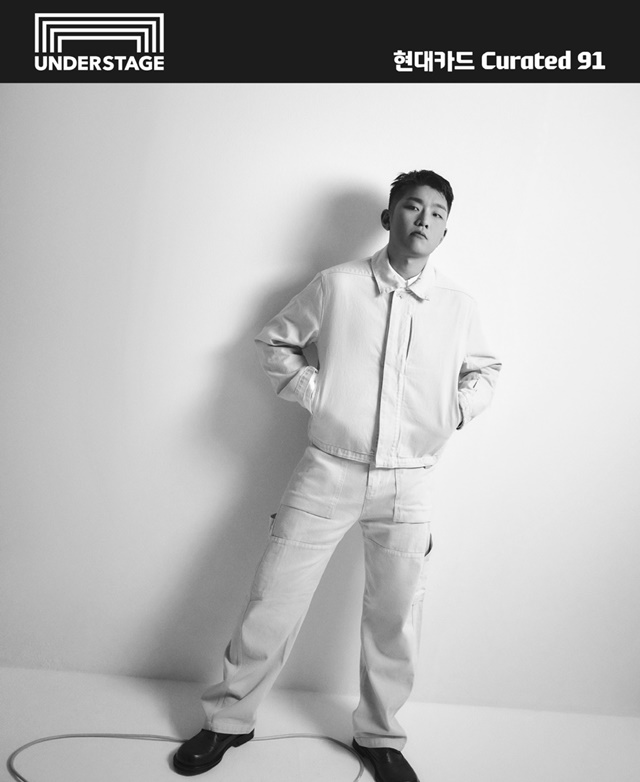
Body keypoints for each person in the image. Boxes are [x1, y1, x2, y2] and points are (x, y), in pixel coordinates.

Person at [173, 170, 501, 781]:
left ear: (446, 230)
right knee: (273, 598)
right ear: (389, 217)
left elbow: (484, 372)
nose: (424, 219)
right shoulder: (338, 285)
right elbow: (276, 343)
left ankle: (380, 736)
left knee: (396, 617)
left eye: (437, 212)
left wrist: (455, 411)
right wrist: (318, 395)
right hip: (328, 469)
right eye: (412, 206)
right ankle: (228, 721)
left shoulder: (459, 305)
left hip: (410, 482)